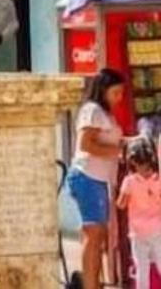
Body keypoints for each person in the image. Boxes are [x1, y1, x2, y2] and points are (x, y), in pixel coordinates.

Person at [67, 68, 126, 289]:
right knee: (94, 234)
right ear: (103, 90)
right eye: (116, 93)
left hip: (98, 179)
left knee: (96, 235)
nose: (119, 98)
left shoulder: (104, 114)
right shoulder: (92, 110)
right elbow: (86, 144)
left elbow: (109, 141)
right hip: (87, 176)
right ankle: (90, 285)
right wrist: (117, 152)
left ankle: (91, 280)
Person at [117, 137, 161, 289]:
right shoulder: (158, 180)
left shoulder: (129, 181)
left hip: (137, 233)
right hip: (157, 231)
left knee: (142, 270)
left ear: (132, 162)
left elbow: (121, 204)